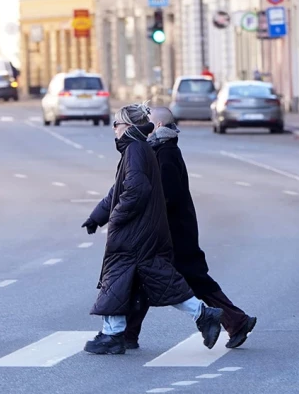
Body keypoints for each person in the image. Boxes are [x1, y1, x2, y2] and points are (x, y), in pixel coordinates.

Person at [81, 103, 223, 355]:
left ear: (128, 127)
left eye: (117, 124)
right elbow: (119, 190)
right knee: (156, 280)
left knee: (116, 276)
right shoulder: (136, 148)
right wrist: (97, 216)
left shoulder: (135, 149)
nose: (113, 129)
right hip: (143, 230)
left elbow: (136, 189)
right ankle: (203, 314)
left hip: (135, 232)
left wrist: (117, 217)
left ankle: (113, 335)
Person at [125, 107, 257, 350]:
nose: (143, 127)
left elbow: (168, 197)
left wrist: (145, 214)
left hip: (174, 232)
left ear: (157, 127)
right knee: (152, 279)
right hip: (174, 230)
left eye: (148, 123)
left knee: (156, 277)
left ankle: (236, 321)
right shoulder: (162, 150)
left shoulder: (165, 153)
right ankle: (128, 334)